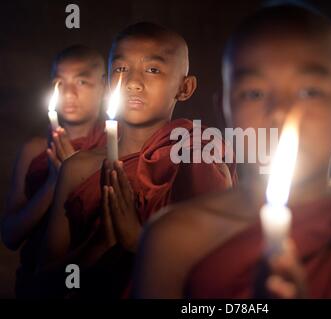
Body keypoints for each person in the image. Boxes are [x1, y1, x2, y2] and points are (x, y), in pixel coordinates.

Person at [133, 5, 331, 299]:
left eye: (309, 91)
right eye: (254, 93)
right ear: (224, 109)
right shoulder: (177, 241)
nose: (280, 112)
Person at [38, 22, 236, 298]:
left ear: (185, 88)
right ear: (108, 82)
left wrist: (138, 241)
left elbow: (218, 276)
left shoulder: (199, 160)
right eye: (120, 69)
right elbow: (42, 282)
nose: (132, 82)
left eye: (153, 70)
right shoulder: (78, 168)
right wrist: (97, 248)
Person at [1, 45, 107, 298]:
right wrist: (54, 183)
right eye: (59, 82)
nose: (68, 93)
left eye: (81, 81)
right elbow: (10, 235)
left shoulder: (113, 148)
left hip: (95, 285)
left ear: (104, 86)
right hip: (36, 287)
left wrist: (75, 174)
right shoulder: (35, 149)